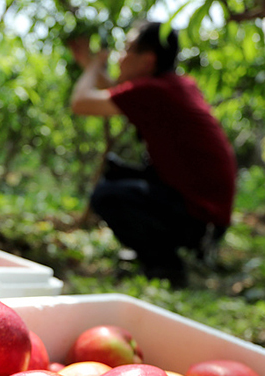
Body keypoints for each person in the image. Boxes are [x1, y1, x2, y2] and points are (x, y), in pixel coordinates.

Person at [68, 21, 237, 286]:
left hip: (200, 220)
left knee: (108, 196)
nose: (120, 58)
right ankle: (164, 255)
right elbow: (114, 90)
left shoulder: (154, 91)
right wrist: (88, 61)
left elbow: (81, 103)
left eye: (126, 50)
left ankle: (167, 267)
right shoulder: (172, 86)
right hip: (205, 215)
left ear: (147, 60)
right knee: (115, 177)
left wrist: (92, 64)